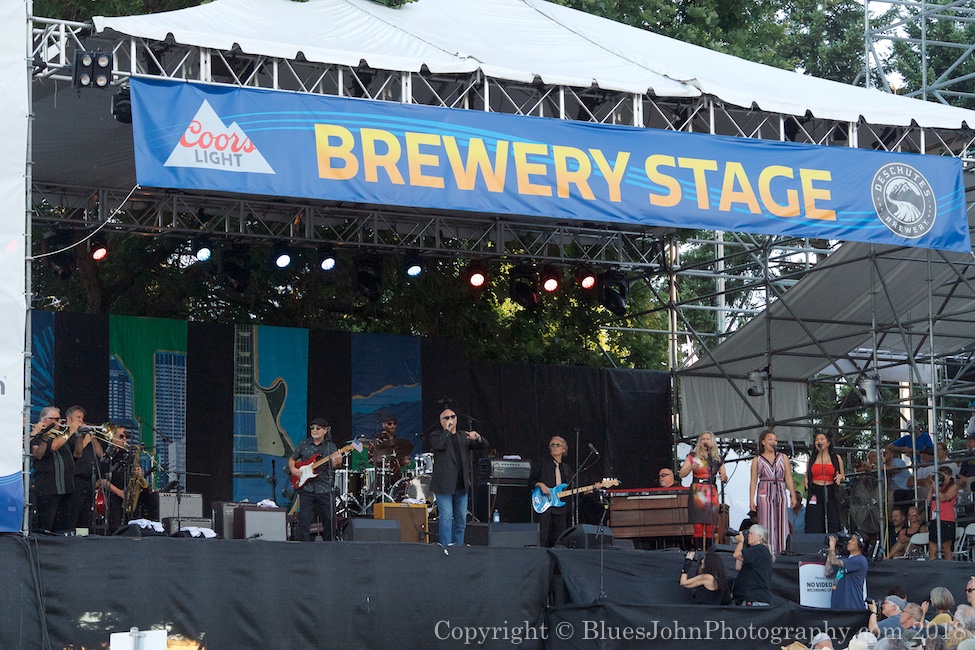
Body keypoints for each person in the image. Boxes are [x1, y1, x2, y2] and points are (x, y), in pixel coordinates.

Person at [429, 408, 488, 547]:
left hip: (461, 484)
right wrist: (447, 431)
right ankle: (446, 547)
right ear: (441, 421)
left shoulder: (463, 436)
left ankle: (458, 547)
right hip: (444, 485)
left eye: (453, 417)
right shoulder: (436, 435)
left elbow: (484, 446)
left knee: (461, 519)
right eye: (446, 418)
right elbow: (439, 446)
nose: (450, 420)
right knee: (446, 517)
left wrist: (478, 438)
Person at [289, 418, 341, 541]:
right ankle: (303, 546)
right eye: (312, 428)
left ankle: (329, 545)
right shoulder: (304, 444)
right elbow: (292, 459)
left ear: (325, 431)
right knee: (304, 519)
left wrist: (338, 462)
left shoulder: (331, 447)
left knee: (328, 519)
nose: (314, 430)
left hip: (324, 487)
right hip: (306, 487)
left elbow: (335, 465)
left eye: (318, 428)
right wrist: (293, 469)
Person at [748, 429, 795, 554]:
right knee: (765, 521)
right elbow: (753, 480)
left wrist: (793, 495)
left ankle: (783, 550)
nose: (773, 441)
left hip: (780, 489)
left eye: (775, 439)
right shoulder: (757, 459)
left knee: (782, 521)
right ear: (763, 442)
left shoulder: (782, 457)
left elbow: (788, 477)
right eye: (770, 439)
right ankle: (767, 551)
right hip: (764, 491)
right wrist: (751, 499)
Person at [29, 406, 75, 532]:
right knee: (46, 526)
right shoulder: (36, 436)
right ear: (45, 421)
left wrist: (80, 435)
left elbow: (78, 453)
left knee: (63, 528)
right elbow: (48, 449)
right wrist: (70, 432)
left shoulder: (62, 435)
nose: (59, 422)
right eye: (55, 419)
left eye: (60, 419)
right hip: (48, 488)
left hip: (66, 487)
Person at [679, 431, 727, 549]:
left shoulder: (717, 458)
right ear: (700, 442)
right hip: (697, 492)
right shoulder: (693, 456)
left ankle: (711, 553)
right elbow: (681, 474)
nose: (705, 441)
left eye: (708, 439)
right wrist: (691, 467)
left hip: (711, 492)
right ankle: (698, 551)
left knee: (711, 526)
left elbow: (725, 477)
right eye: (703, 439)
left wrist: (723, 477)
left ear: (712, 442)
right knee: (698, 525)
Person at [65, 407, 105, 530]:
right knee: (74, 511)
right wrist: (86, 440)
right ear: (69, 419)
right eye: (78, 417)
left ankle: (83, 538)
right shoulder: (67, 434)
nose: (82, 420)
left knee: (86, 513)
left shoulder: (85, 434)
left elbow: (101, 454)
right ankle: (71, 535)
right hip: (76, 478)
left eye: (82, 418)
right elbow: (76, 454)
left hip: (89, 479)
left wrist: (93, 439)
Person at [529, 436, 569, 547]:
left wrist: (589, 489)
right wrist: (540, 484)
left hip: (560, 507)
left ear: (564, 449)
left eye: (558, 445)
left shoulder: (565, 468)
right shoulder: (542, 462)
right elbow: (530, 481)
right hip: (544, 504)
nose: (555, 447)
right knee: (542, 536)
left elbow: (571, 487)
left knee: (559, 537)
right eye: (552, 445)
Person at [804, 431, 845, 534]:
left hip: (830, 489)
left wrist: (840, 476)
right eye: (817, 440)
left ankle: (833, 543)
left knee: (832, 518)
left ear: (828, 443)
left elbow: (842, 475)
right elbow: (807, 475)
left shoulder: (836, 458)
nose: (819, 441)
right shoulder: (811, 459)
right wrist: (806, 480)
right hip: (815, 490)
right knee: (815, 519)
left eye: (822, 439)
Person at [732, 524, 773, 606]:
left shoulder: (759, 549)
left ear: (760, 537)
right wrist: (743, 544)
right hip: (749, 598)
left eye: (751, 533)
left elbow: (736, 555)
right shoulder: (755, 551)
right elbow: (738, 566)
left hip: (754, 599)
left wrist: (740, 541)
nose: (748, 536)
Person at [826, 531, 868, 610]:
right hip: (838, 606)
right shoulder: (845, 559)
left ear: (860, 545)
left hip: (852, 607)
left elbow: (834, 561)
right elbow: (827, 572)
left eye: (852, 540)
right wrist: (832, 549)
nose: (849, 542)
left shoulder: (860, 560)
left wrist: (832, 547)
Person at [929, 466, 959, 560]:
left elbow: (943, 498)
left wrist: (936, 488)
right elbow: (928, 499)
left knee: (946, 548)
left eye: (945, 474)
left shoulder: (954, 486)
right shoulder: (937, 486)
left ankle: (949, 570)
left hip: (946, 519)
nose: (943, 476)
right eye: (941, 474)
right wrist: (932, 486)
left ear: (950, 476)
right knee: (932, 549)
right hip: (934, 518)